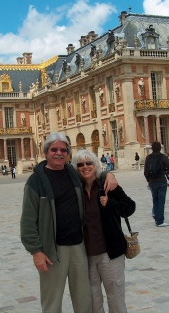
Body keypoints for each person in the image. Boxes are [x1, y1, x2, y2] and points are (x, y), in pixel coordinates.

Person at [20, 132, 118, 312]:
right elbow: (27, 221)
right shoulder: (35, 182)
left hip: (78, 247)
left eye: (63, 150)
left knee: (84, 299)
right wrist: (36, 251)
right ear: (46, 152)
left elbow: (91, 172)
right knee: (52, 301)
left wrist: (109, 174)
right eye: (54, 149)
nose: (59, 153)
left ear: (67, 153)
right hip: (52, 250)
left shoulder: (73, 173)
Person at [71, 149, 136, 312]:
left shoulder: (107, 185)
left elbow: (130, 207)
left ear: (95, 164)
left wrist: (111, 204)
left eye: (89, 163)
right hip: (87, 256)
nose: (85, 167)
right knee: (93, 302)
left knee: (115, 299)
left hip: (110, 253)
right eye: (80, 164)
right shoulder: (75, 190)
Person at [144, 141, 169, 227]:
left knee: (155, 200)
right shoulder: (163, 157)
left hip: (152, 182)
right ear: (160, 148)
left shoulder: (148, 157)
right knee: (161, 201)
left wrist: (148, 180)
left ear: (152, 148)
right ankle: (160, 221)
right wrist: (167, 173)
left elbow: (145, 171)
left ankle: (157, 218)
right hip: (161, 180)